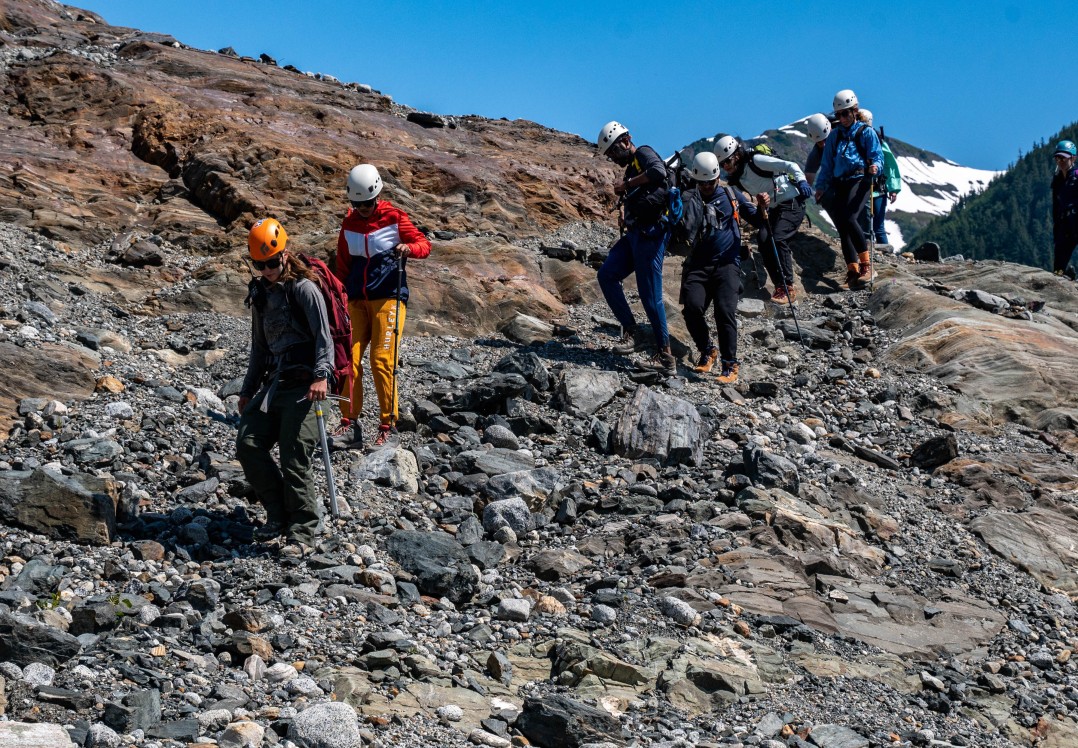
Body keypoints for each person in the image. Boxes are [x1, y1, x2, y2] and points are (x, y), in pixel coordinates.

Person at [236, 218, 332, 555]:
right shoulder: (260, 294)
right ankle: (277, 515)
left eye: (273, 262)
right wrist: (248, 391)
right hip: (275, 385)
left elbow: (324, 337)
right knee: (248, 442)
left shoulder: (304, 289)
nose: (268, 269)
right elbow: (259, 348)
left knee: (294, 455)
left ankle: (302, 531)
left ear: (285, 255)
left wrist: (321, 376)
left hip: (308, 385)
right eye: (260, 264)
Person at [335, 164, 431, 447]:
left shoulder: (395, 218)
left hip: (389, 298)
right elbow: (342, 264)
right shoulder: (348, 224)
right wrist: (339, 296)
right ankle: (348, 423)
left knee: (381, 360)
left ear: (377, 195)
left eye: (367, 203)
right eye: (357, 204)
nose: (362, 209)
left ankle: (388, 423)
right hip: (356, 300)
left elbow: (423, 245)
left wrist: (409, 248)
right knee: (347, 361)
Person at [595, 120, 677, 376]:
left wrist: (627, 186)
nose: (613, 158)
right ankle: (632, 331)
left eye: (613, 152)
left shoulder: (643, 153)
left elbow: (659, 172)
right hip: (635, 234)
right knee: (607, 274)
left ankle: (666, 357)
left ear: (625, 140)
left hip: (651, 235)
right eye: (609, 155)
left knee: (650, 296)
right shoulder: (632, 167)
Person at [680, 152, 764, 384]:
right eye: (702, 182)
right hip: (697, 264)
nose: (707, 186)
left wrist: (764, 207)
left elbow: (757, 219)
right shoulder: (689, 197)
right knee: (692, 309)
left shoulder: (731, 194)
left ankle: (730, 364)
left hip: (727, 264)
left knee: (724, 312)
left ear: (717, 177)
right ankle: (707, 351)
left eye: (711, 181)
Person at [714, 135, 813, 303]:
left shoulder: (756, 161)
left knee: (778, 237)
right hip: (774, 209)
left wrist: (802, 181)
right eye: (722, 165)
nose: (725, 167)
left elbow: (791, 165)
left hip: (791, 203)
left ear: (736, 155)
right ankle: (779, 286)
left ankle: (788, 286)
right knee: (763, 239)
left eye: (727, 162)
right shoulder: (739, 179)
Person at [814, 89, 884, 288]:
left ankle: (866, 265)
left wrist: (875, 167)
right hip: (839, 182)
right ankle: (852, 271)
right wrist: (820, 187)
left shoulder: (866, 132)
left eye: (845, 113)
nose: (842, 118)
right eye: (838, 115)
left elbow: (877, 156)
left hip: (860, 179)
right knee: (843, 228)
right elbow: (826, 165)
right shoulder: (835, 136)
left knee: (850, 218)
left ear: (855, 111)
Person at [857, 109, 902, 247]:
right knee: (869, 224)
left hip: (875, 189)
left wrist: (893, 188)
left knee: (876, 226)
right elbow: (890, 165)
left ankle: (883, 255)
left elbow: (889, 164)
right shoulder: (858, 140)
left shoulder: (878, 142)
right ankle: (867, 251)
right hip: (869, 189)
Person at [1051, 139, 1078, 277]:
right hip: (1064, 224)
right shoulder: (1057, 181)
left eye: (1063, 157)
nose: (1060, 161)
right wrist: (1056, 227)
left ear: (1073, 158)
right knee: (1059, 264)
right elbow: (1056, 206)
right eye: (1057, 157)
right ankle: (1062, 278)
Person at [803, 113, 832, 187]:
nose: (823, 145)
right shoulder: (815, 155)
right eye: (819, 142)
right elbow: (808, 182)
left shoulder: (844, 127)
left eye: (825, 140)